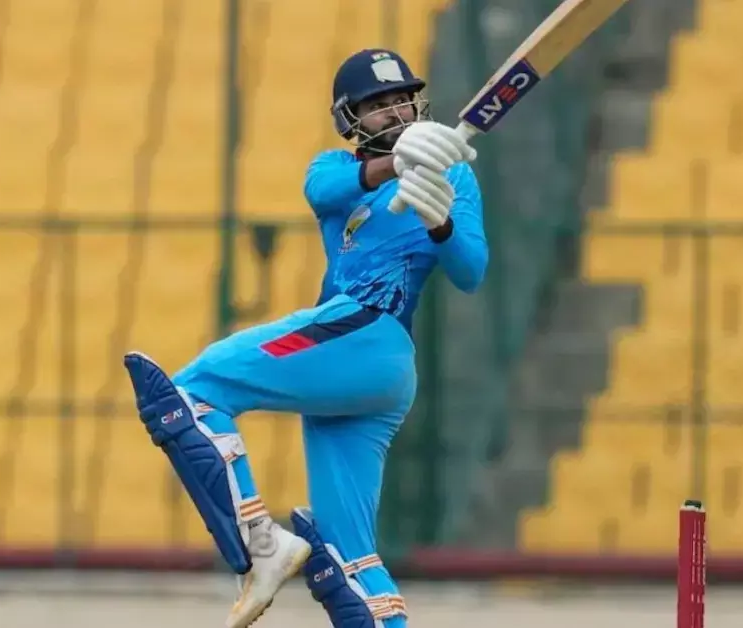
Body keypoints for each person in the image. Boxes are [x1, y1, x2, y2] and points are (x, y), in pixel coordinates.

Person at [122, 48, 486, 628]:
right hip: (357, 366)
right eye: (378, 104)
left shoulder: (454, 174)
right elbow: (325, 192)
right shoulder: (334, 168)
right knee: (350, 556)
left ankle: (260, 545)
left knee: (194, 389)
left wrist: (439, 222)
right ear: (350, 118)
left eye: (402, 99)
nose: (396, 112)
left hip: (371, 334)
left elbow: (470, 272)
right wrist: (396, 166)